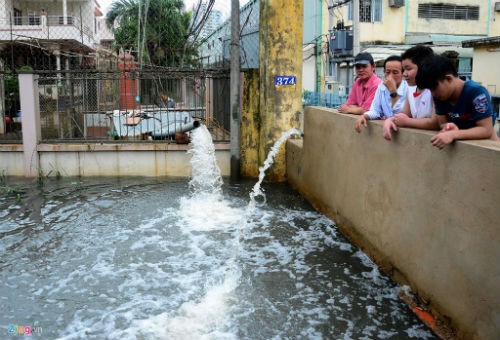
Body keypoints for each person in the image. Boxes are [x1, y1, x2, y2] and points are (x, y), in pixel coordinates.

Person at [416, 54, 499, 148]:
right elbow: (442, 123)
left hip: (487, 147)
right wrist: (448, 127)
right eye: (430, 90)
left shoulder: (476, 92)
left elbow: (486, 130)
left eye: (434, 88)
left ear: (448, 78)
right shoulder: (440, 96)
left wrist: (454, 134)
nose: (433, 93)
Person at [383, 45, 437, 140]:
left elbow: (435, 122)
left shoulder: (434, 90)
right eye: (404, 70)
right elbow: (405, 114)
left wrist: (407, 122)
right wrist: (390, 120)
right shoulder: (411, 88)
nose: (404, 74)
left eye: (409, 69)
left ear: (423, 67)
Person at [355, 55, 408, 132]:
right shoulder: (381, 88)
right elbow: (376, 111)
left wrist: (393, 91)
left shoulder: (408, 89)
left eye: (395, 72)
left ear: (402, 73)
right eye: (388, 72)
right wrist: (364, 116)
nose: (390, 76)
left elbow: (400, 115)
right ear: (384, 72)